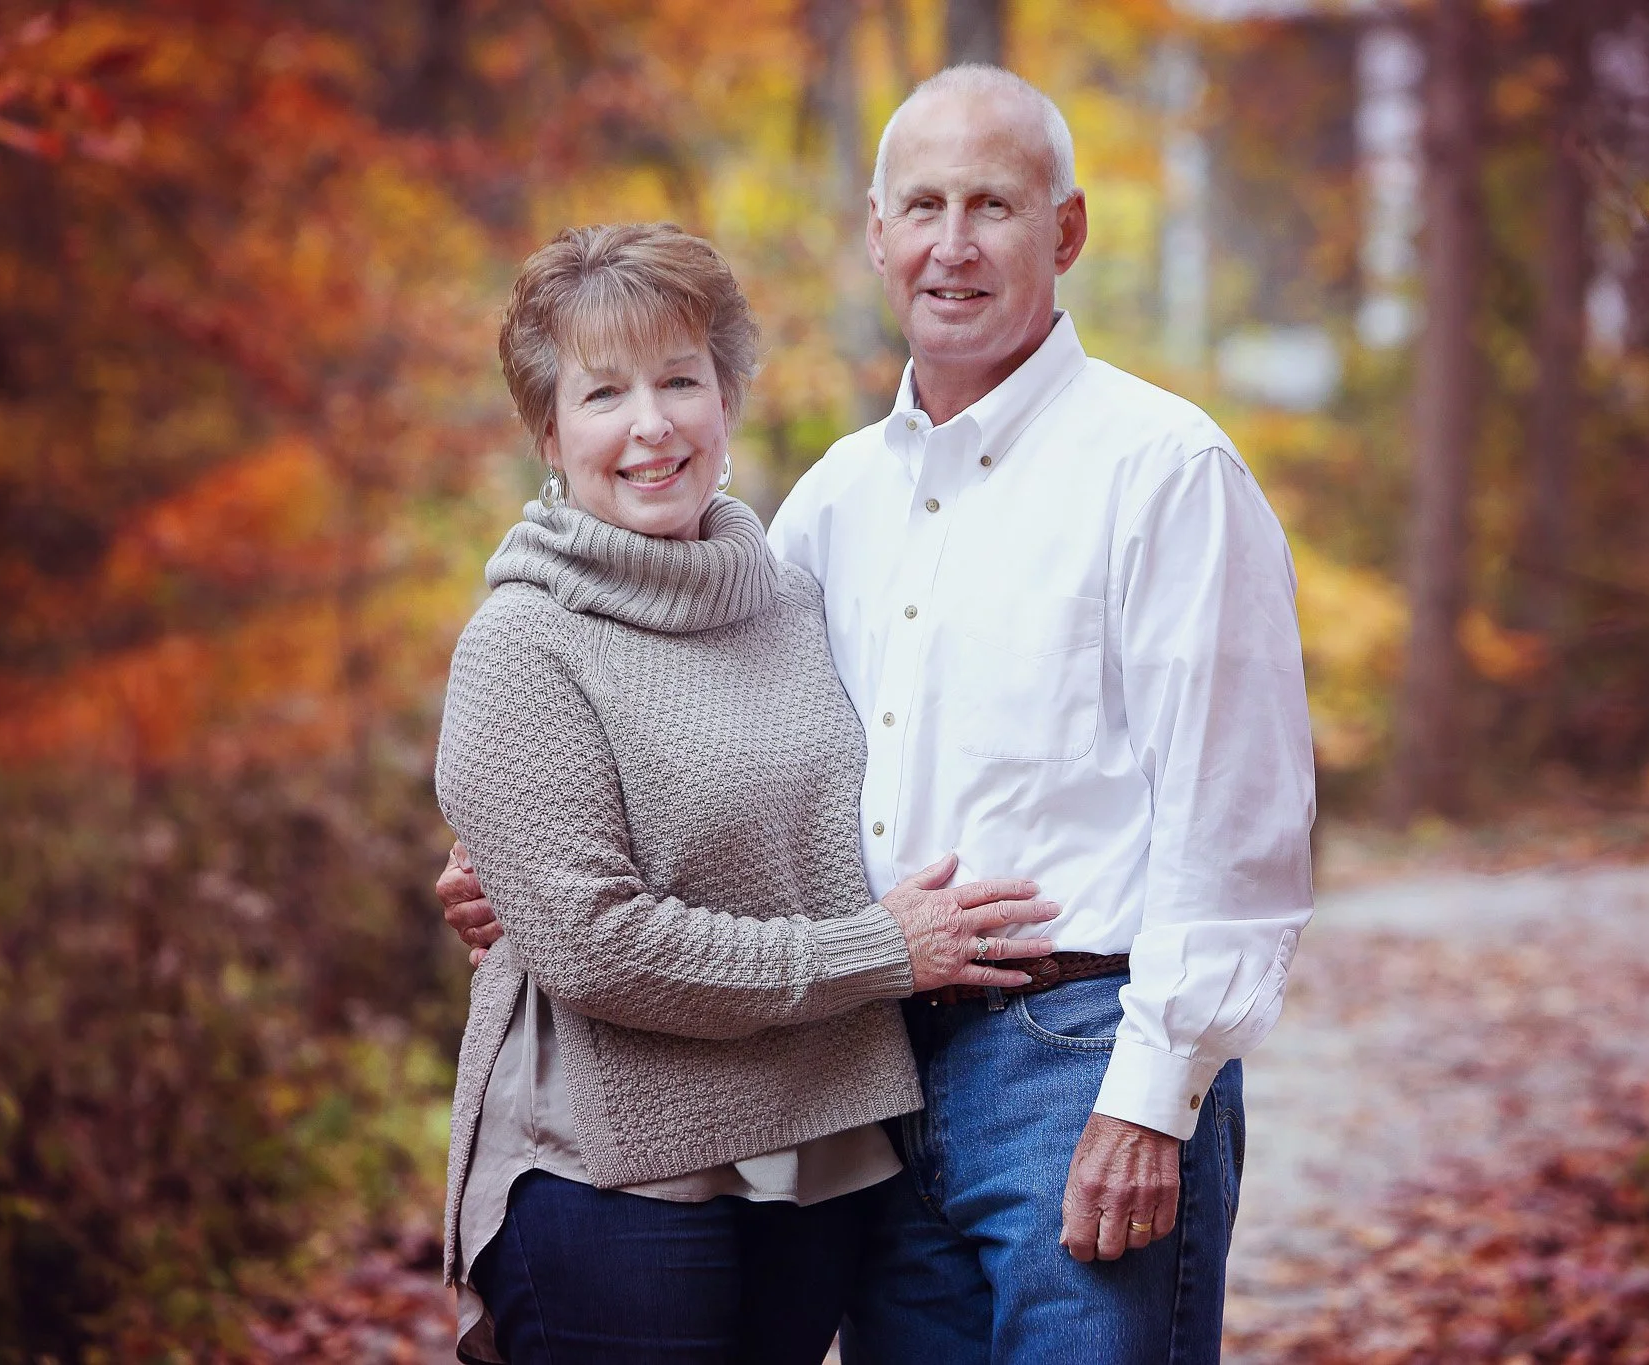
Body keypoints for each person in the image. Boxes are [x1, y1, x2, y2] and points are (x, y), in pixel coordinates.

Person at [442, 66, 1316, 1364]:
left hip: (1077, 1052)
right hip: (870, 1084)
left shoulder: (1161, 469)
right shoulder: (833, 502)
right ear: (876, 232)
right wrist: (520, 847)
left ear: (1065, 233)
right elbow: (723, 739)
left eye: (994, 208)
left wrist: (1157, 1095)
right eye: (923, 205)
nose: (952, 245)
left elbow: (1236, 823)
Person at [433, 221, 1059, 1365]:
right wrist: (879, 953)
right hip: (611, 1181)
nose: (651, 424)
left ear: (726, 399)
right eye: (603, 394)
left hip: (811, 1165)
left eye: (680, 380)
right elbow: (598, 945)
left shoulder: (788, 600)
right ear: (547, 430)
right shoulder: (522, 642)